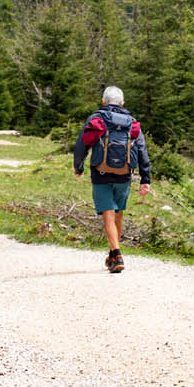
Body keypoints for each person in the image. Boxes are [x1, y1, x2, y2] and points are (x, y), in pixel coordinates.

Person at [73, 86, 151, 273]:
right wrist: (145, 179)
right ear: (122, 103)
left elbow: (82, 144)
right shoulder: (131, 123)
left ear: (103, 101)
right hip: (124, 174)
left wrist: (79, 167)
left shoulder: (97, 120)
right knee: (118, 214)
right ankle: (112, 254)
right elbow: (141, 150)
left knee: (108, 215)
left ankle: (117, 255)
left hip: (101, 172)